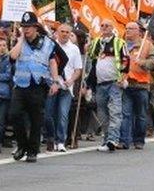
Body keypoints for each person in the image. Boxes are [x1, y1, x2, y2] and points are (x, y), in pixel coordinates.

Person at [9, 11, 64, 163]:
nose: (26, 29)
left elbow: (52, 62)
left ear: (36, 27)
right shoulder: (20, 42)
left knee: (36, 119)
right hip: (21, 84)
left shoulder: (47, 42)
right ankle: (22, 145)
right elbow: (12, 57)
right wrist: (20, 40)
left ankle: (32, 151)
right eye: (23, 27)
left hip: (38, 85)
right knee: (14, 115)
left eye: (29, 27)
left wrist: (55, 81)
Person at [118, 22, 154, 149]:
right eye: (127, 28)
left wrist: (143, 63)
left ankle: (139, 140)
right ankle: (124, 140)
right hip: (126, 84)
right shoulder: (121, 44)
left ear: (138, 31)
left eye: (131, 28)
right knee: (126, 114)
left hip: (141, 85)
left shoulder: (146, 45)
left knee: (140, 115)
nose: (127, 30)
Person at [86, 20, 123, 151]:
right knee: (102, 113)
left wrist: (123, 77)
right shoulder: (97, 42)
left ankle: (113, 139)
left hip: (114, 83)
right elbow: (91, 57)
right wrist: (88, 47)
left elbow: (126, 61)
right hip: (100, 84)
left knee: (115, 112)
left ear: (113, 28)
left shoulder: (118, 42)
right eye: (102, 25)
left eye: (107, 25)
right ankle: (107, 138)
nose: (104, 28)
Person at [45, 24, 82, 152]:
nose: (65, 34)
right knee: (49, 114)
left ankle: (61, 140)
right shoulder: (50, 46)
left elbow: (78, 69)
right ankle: (51, 138)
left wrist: (71, 80)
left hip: (66, 87)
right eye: (62, 31)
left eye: (67, 32)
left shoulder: (74, 49)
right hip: (52, 85)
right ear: (57, 33)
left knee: (63, 114)